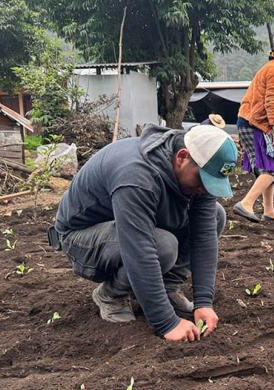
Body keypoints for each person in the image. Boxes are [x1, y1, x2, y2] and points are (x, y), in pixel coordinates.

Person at [50, 124, 236, 342]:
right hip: (82, 237)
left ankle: (167, 287)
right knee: (162, 246)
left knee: (215, 215)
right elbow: (140, 250)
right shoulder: (136, 175)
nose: (205, 188)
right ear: (182, 157)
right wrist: (167, 322)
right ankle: (111, 295)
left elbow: (203, 235)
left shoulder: (197, 168)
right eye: (203, 180)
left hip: (128, 226)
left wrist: (204, 301)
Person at [232, 38, 274, 223]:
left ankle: (269, 210)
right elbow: (272, 102)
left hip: (251, 121)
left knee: (269, 167)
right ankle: (246, 203)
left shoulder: (270, 68)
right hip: (256, 123)